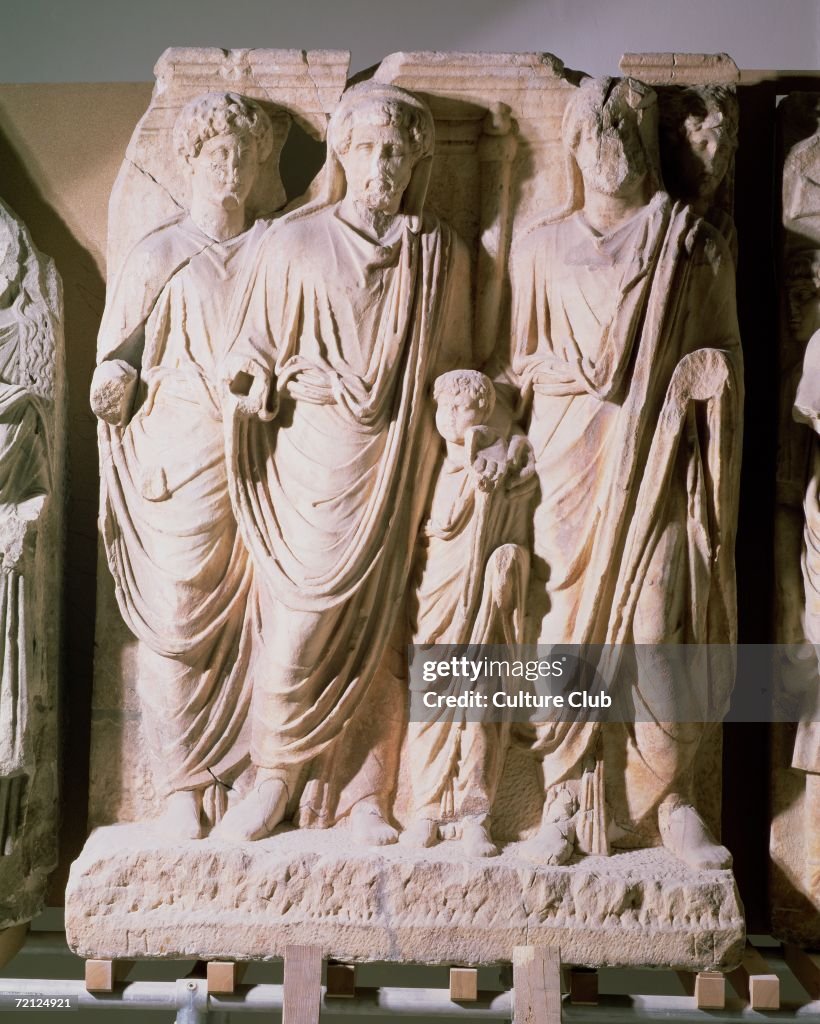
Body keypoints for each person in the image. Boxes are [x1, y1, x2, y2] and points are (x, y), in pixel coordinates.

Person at [214, 81, 481, 844]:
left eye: (399, 151)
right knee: (298, 623)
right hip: (311, 456)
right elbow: (251, 351)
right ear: (345, 153)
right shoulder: (293, 242)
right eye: (369, 148)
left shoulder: (438, 254)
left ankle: (367, 793)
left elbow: (457, 365)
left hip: (399, 463)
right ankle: (273, 777)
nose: (384, 164)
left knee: (385, 627)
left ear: (415, 161)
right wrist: (252, 382)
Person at [508, 76, 743, 869]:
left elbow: (728, 358)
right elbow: (518, 363)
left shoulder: (690, 244)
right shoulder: (538, 247)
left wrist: (705, 385)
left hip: (657, 465)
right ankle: (565, 801)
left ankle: (668, 801)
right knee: (564, 631)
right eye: (595, 131)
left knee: (656, 630)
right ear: (574, 146)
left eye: (626, 130)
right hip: (566, 461)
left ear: (646, 142)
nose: (611, 147)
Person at [90, 92, 284, 839]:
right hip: (177, 453)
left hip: (257, 454)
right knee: (176, 619)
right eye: (215, 155)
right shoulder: (159, 255)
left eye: (242, 154)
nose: (229, 167)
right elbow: (118, 359)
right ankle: (177, 786)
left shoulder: (272, 247)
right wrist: (115, 382)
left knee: (252, 620)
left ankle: (238, 776)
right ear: (192, 163)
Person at [403, 369, 534, 857]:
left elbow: (522, 535)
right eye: (450, 407)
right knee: (430, 697)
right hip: (438, 594)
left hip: (484, 603)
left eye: (470, 407)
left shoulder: (508, 462)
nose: (459, 417)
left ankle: (475, 814)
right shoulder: (431, 468)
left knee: (479, 701)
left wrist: (508, 564)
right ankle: (425, 808)